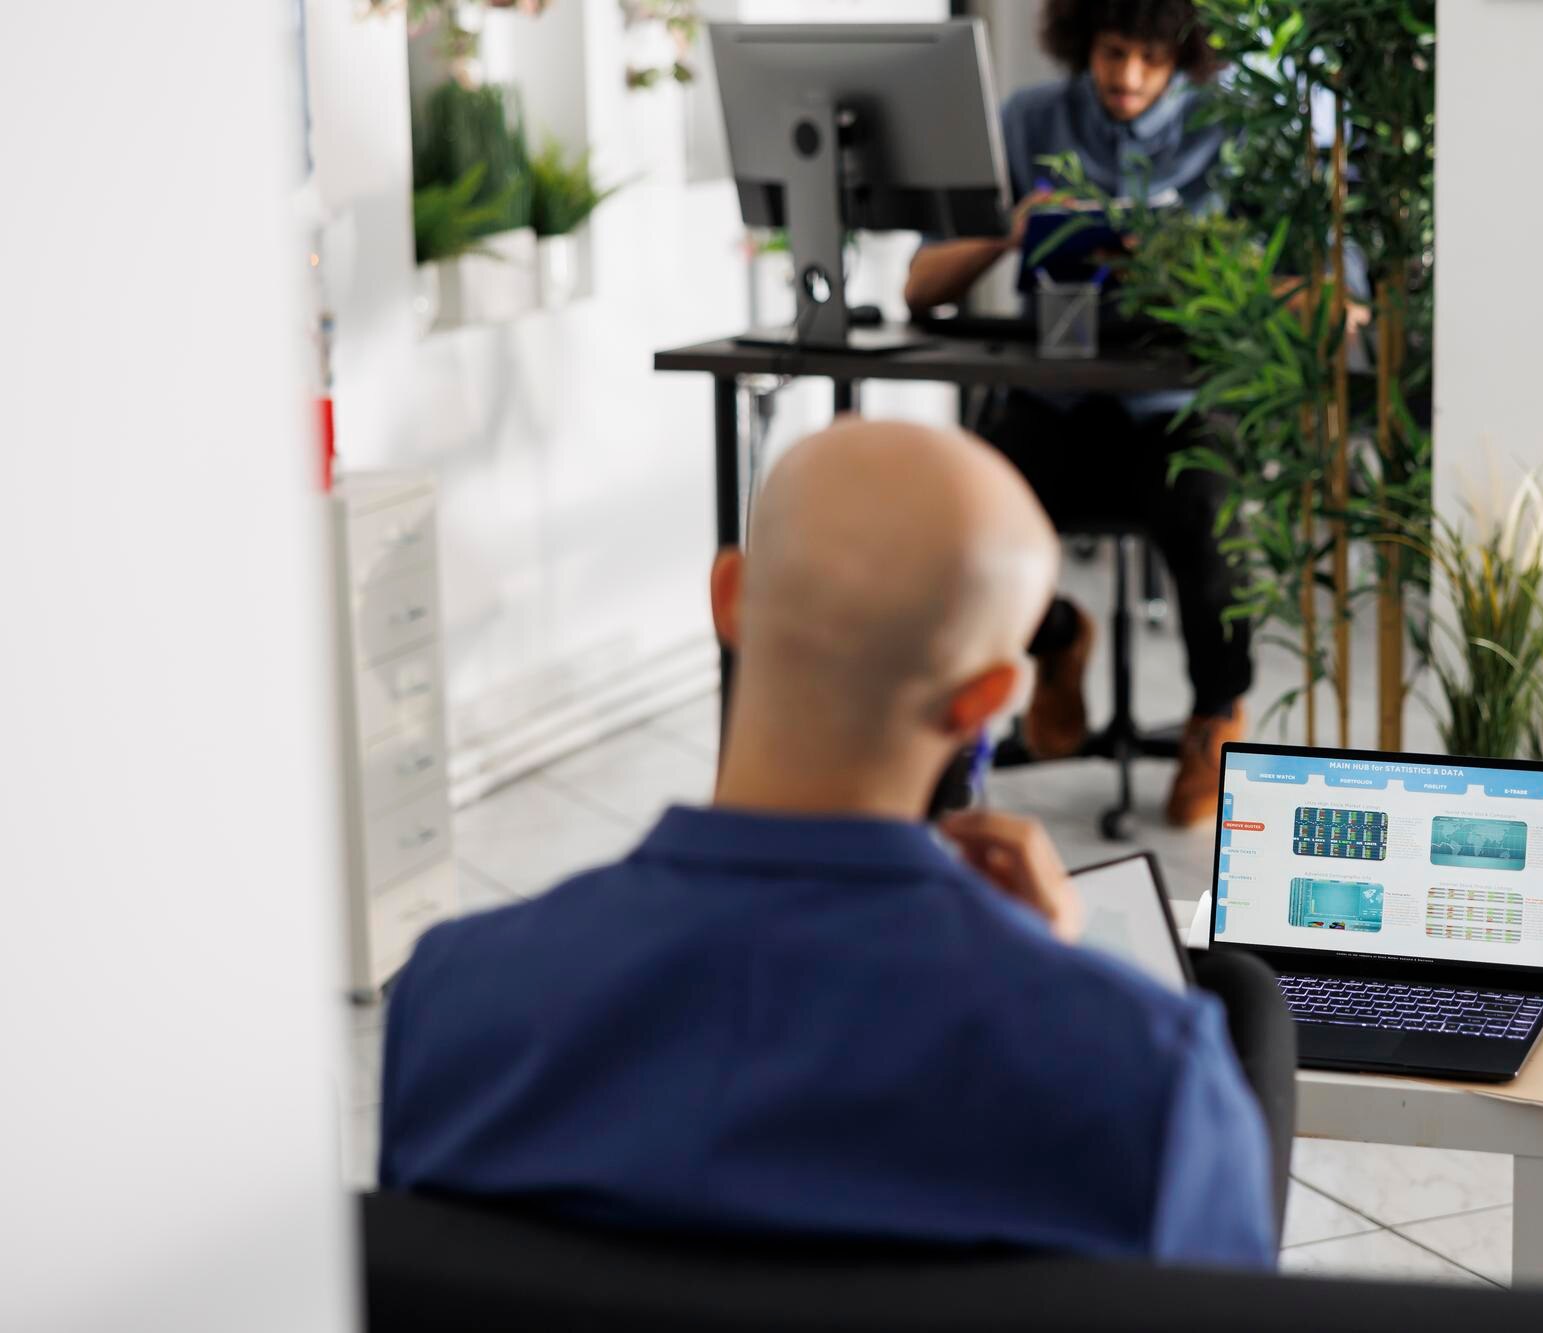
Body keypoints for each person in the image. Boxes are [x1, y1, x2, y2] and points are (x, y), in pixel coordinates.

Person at [378, 417, 1291, 1269]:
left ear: (729, 598)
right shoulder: (1142, 1072)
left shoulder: (453, 1000)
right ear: (986, 697)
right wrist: (1047, 977)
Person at [904, 0, 1245, 828]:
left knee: (1206, 516)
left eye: (1151, 60)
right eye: (1113, 52)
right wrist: (1009, 234)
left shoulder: (1228, 130)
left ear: (1184, 58)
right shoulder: (1027, 121)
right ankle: (1057, 637)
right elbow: (920, 284)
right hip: (1051, 398)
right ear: (1083, 41)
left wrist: (1190, 262)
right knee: (969, 521)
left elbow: (1295, 276)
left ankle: (1215, 714)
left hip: (1176, 405)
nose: (1128, 77)